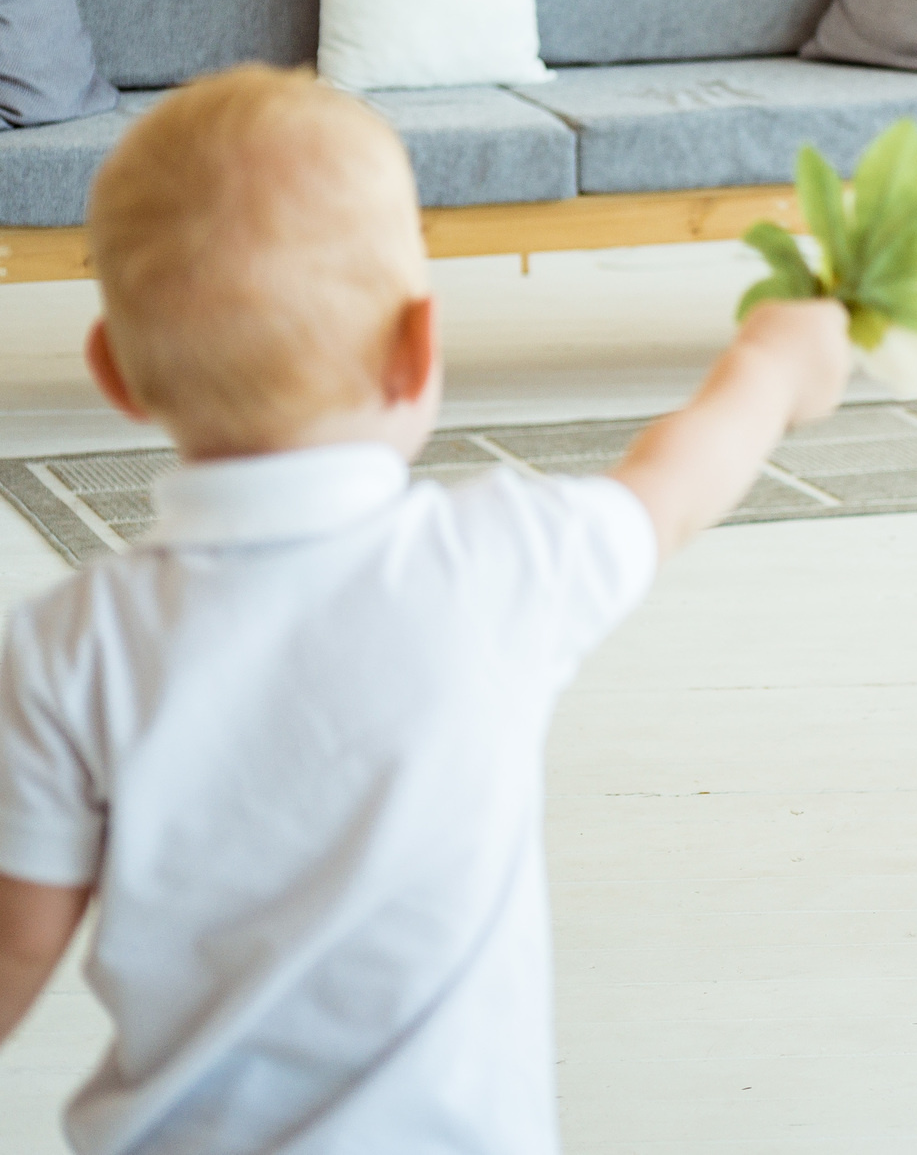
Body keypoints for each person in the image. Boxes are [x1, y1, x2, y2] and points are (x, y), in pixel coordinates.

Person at [0, 66, 852, 1151]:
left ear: (114, 371)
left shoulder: (63, 648)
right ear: (418, 346)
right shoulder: (499, 562)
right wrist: (771, 366)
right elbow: (671, 486)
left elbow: (15, 943)